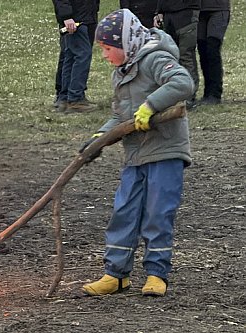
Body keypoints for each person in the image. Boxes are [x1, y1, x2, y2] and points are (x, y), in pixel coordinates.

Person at [80, 9, 193, 297]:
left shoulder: (155, 58)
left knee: (158, 213)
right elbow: (120, 118)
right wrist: (98, 139)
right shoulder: (121, 73)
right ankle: (116, 274)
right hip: (135, 156)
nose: (104, 55)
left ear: (125, 42)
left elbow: (183, 83)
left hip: (165, 152)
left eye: (107, 48)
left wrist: (151, 105)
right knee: (124, 211)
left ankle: (157, 274)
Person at [52, 0, 99, 113]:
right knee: (82, 55)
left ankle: (65, 97)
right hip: (76, 18)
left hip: (85, 15)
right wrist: (66, 16)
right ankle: (75, 99)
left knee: (71, 55)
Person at [154, 0, 200, 102]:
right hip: (169, 16)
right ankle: (176, 93)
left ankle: (189, 96)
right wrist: (159, 11)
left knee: (186, 55)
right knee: (171, 57)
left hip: (186, 14)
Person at [196, 0, 230, 106]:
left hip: (219, 9)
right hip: (199, 10)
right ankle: (207, 92)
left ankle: (215, 93)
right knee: (203, 50)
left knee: (212, 48)